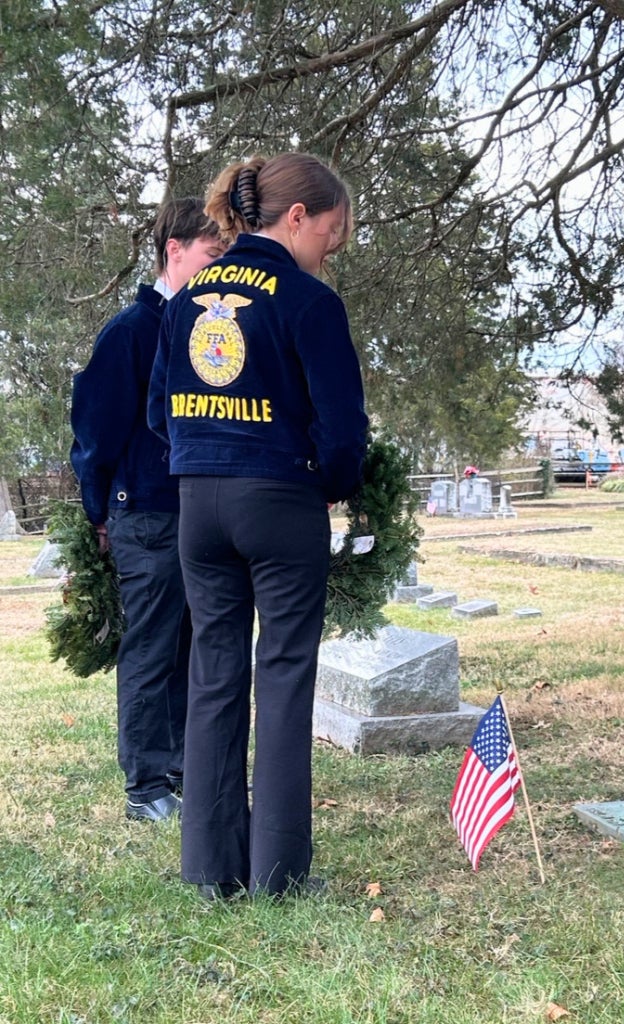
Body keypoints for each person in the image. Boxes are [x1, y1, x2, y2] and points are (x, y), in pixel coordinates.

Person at [147, 153, 369, 900]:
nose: (329, 253)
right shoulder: (308, 303)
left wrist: (200, 453)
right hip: (279, 500)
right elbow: (343, 432)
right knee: (282, 676)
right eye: (330, 235)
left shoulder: (183, 301)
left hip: (197, 503)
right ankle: (278, 874)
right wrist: (330, 488)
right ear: (297, 217)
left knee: (213, 675)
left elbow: (156, 414)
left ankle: (210, 871)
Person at [70, 198, 225, 823]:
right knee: (152, 649)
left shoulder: (211, 329)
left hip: (201, 514)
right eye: (212, 255)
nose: (219, 268)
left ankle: (187, 772)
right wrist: (99, 512)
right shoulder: (130, 332)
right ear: (175, 250)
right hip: (146, 516)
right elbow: (95, 433)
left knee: (196, 649)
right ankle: (144, 785)